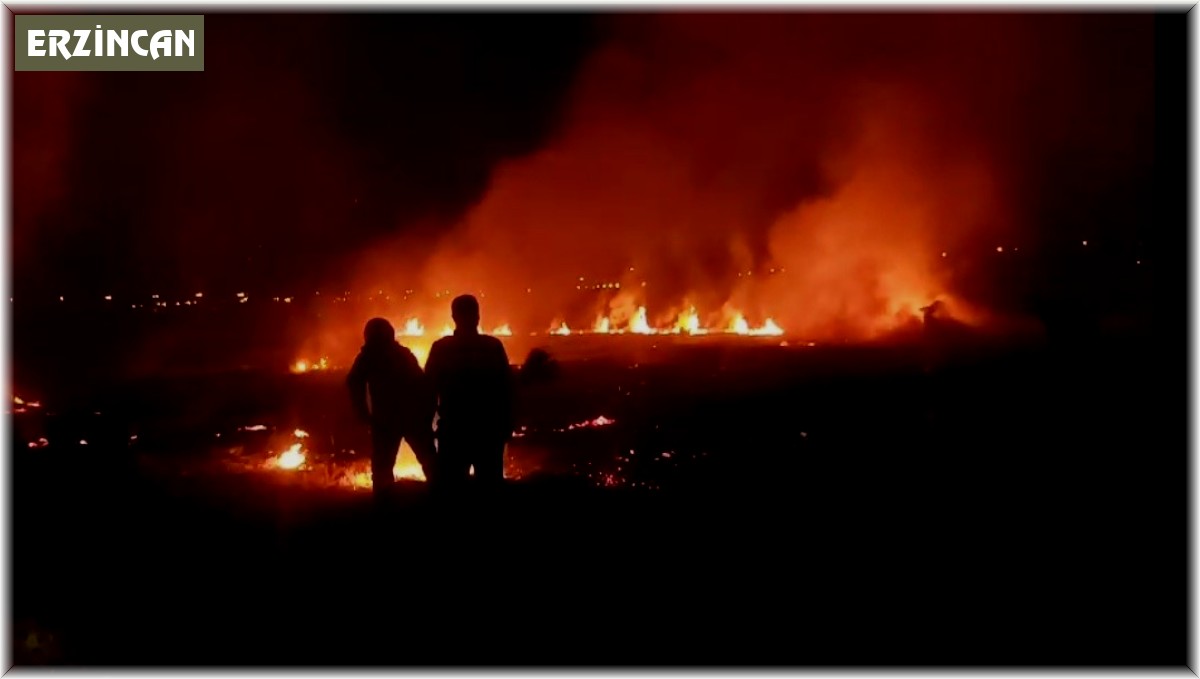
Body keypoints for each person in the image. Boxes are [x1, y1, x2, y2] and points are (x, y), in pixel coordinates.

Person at [424, 295, 515, 491]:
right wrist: (507, 424)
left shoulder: (441, 348)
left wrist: (426, 426)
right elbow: (506, 388)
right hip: (488, 431)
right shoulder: (492, 346)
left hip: (454, 431)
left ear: (453, 317)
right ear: (478, 316)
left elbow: (428, 390)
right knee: (490, 488)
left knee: (453, 491)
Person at [346, 318, 437, 501]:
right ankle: (440, 499)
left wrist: (363, 412)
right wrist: (426, 413)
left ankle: (385, 504)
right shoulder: (401, 354)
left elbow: (354, 382)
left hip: (388, 419)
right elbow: (423, 384)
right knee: (429, 463)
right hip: (410, 418)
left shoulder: (369, 357)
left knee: (383, 468)